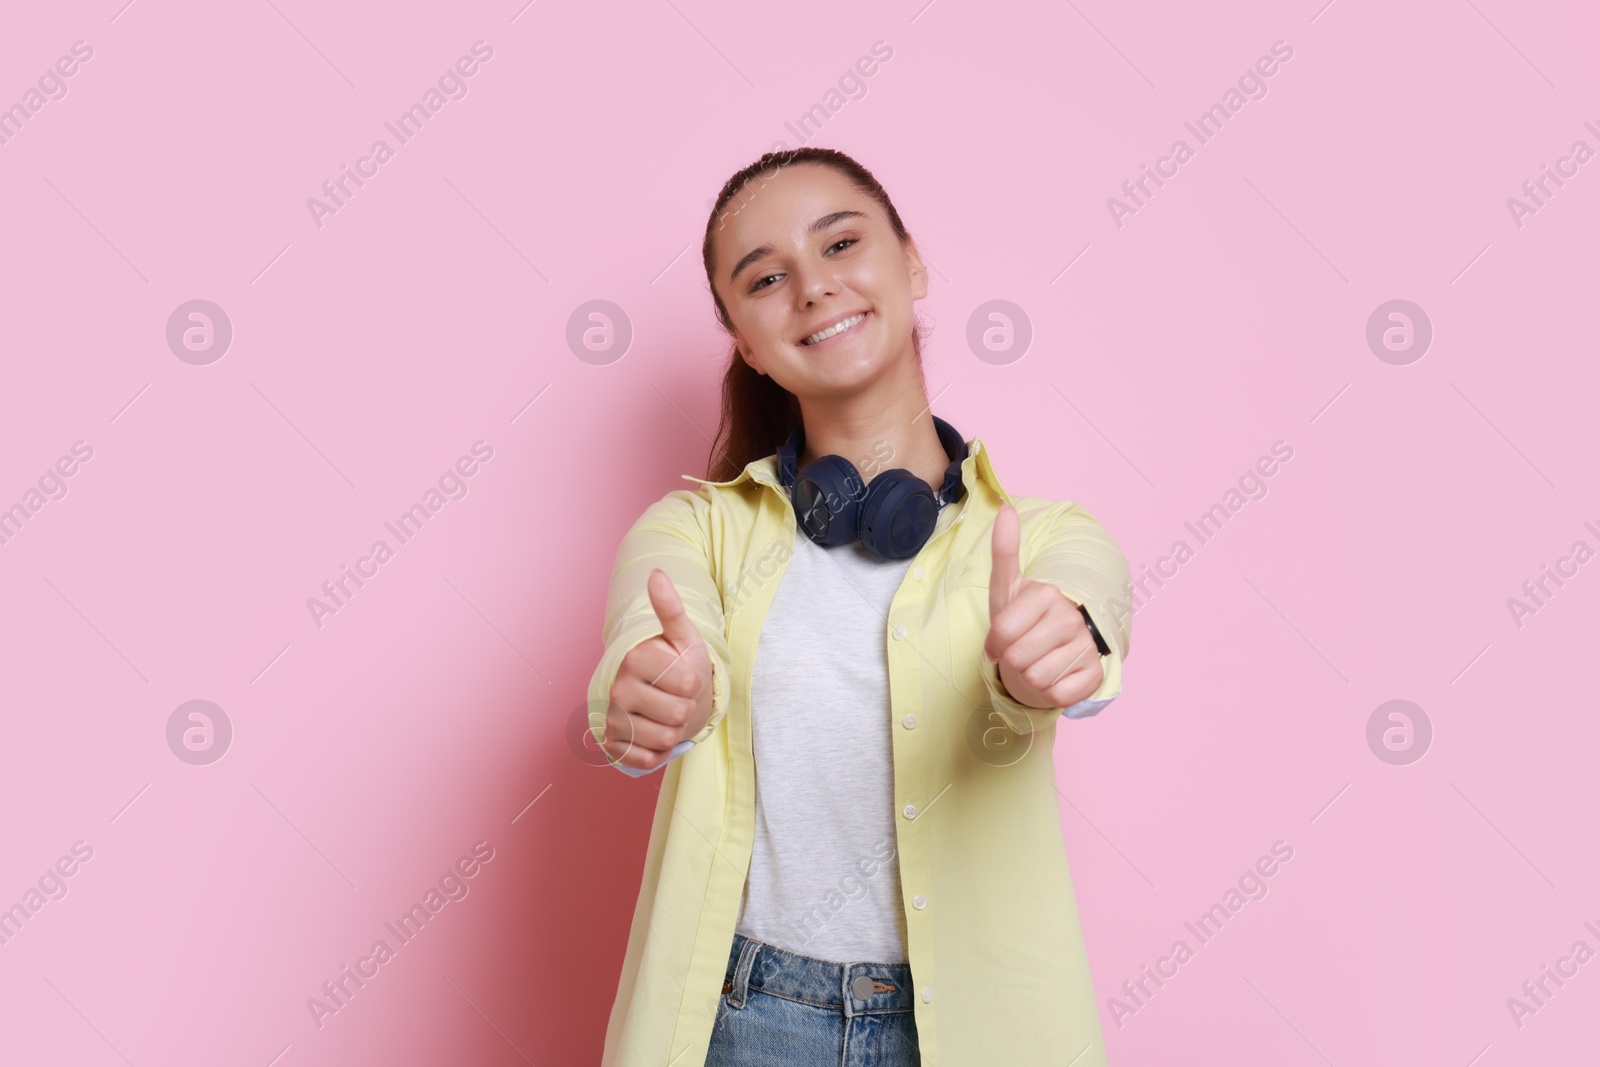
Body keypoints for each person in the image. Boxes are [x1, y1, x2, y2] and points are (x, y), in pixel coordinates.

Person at [586, 147, 1132, 1067]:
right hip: (746, 1020)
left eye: (841, 243)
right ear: (747, 345)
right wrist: (659, 694)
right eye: (767, 277)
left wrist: (1051, 658)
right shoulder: (693, 530)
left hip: (979, 1024)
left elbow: (1081, 621)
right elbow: (653, 639)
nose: (814, 287)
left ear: (912, 264)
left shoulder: (1042, 539)